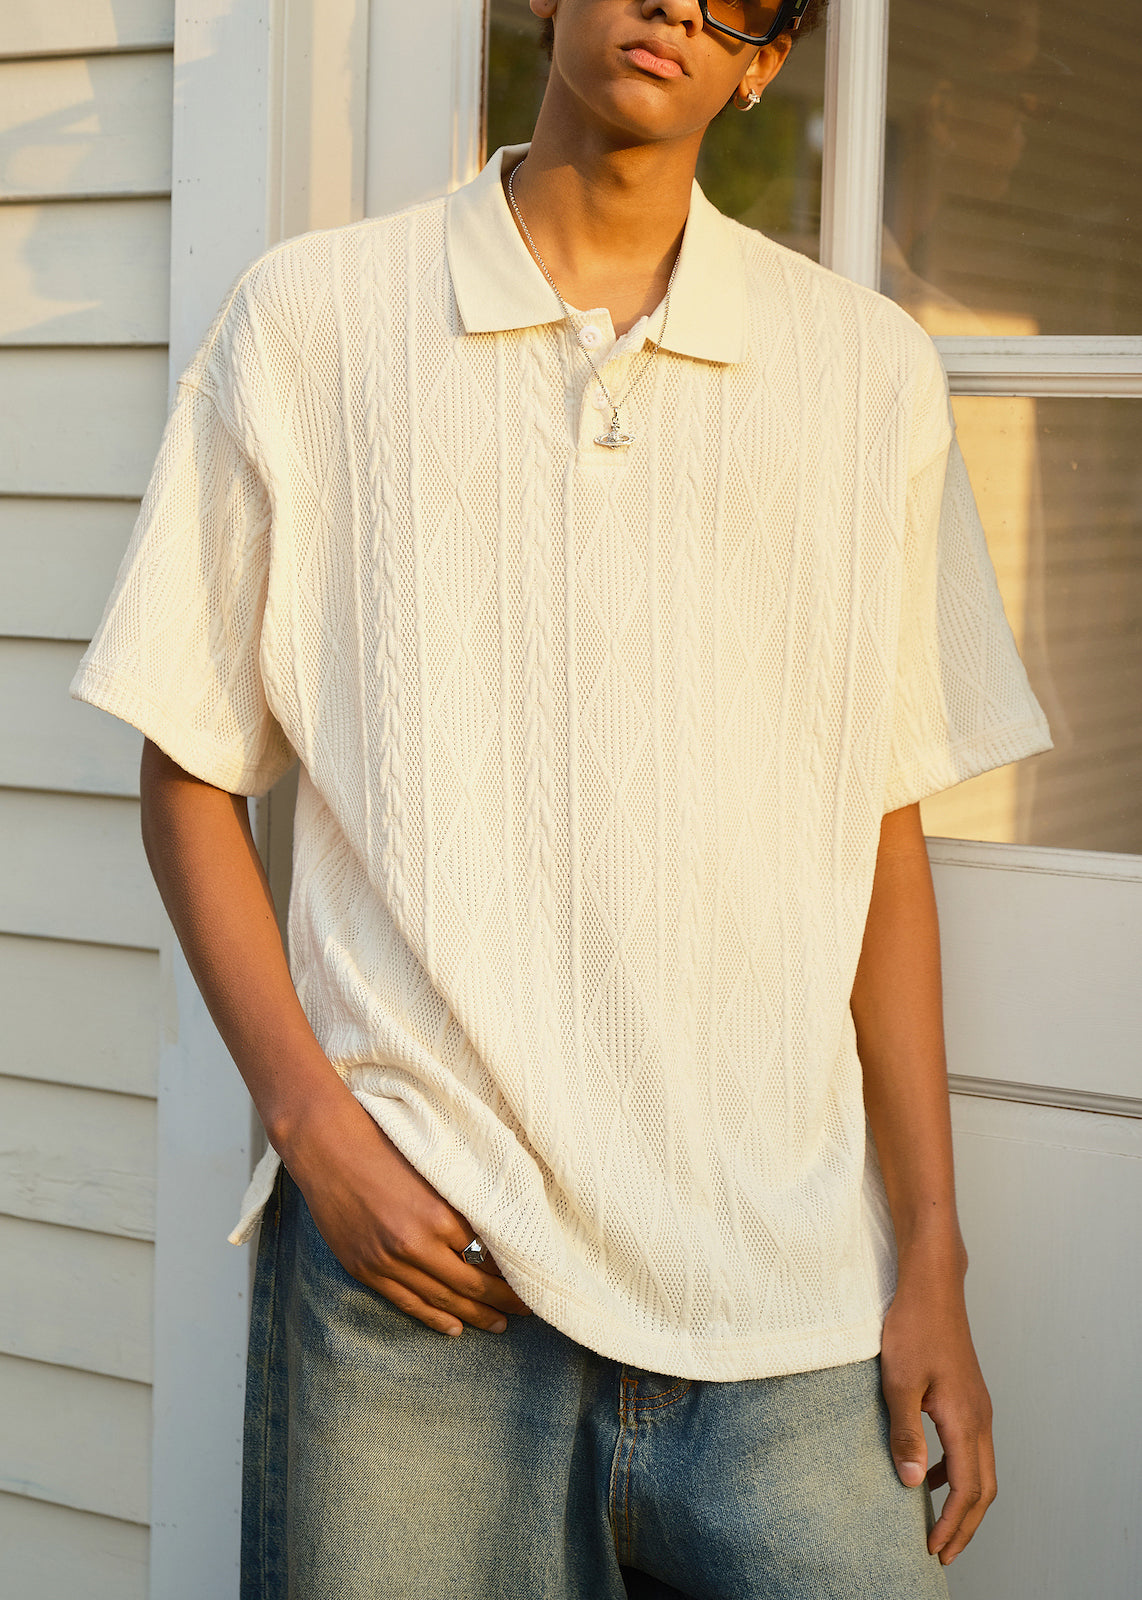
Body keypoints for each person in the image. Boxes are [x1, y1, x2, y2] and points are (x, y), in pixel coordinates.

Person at [71, 0, 1052, 1594]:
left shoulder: (862, 370)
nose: (675, 7)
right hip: (421, 1296)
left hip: (780, 1294)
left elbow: (876, 828)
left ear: (766, 61)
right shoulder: (315, 319)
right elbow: (187, 764)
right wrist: (313, 1131)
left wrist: (930, 1256)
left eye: (737, 2)